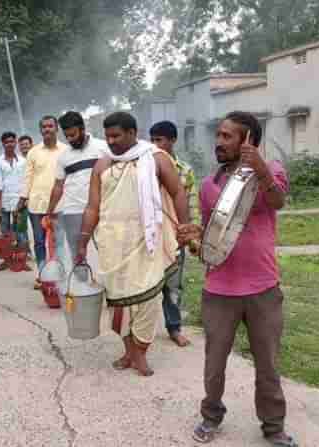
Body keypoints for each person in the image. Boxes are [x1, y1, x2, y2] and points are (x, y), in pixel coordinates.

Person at [177, 112, 298, 447]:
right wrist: (193, 235)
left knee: (268, 365)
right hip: (218, 290)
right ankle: (210, 415)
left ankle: (273, 427)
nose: (218, 141)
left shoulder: (269, 171)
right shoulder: (208, 185)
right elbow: (211, 233)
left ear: (249, 141)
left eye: (228, 136)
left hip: (263, 289)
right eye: (218, 135)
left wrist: (258, 167)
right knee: (214, 365)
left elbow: (277, 202)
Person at [76, 112, 190, 377]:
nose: (111, 141)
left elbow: (178, 192)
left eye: (116, 136)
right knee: (118, 302)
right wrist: (82, 241)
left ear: (132, 132)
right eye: (107, 136)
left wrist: (184, 227)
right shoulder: (102, 165)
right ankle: (128, 351)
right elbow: (92, 207)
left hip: (146, 241)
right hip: (111, 244)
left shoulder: (155, 158)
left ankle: (140, 353)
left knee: (148, 299)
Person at [150, 120, 195, 348]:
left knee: (173, 284)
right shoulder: (145, 168)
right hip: (150, 235)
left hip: (174, 235)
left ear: (172, 140)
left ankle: (174, 327)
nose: (155, 145)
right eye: (153, 140)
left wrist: (189, 233)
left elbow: (190, 203)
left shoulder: (185, 171)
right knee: (147, 282)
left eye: (160, 140)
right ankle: (142, 332)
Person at [45, 111, 107, 275]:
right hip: (73, 211)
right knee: (78, 254)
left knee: (107, 250)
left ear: (82, 128)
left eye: (73, 134)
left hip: (102, 209)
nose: (70, 139)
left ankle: (112, 291)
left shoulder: (102, 148)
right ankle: (83, 291)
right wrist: (49, 210)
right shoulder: (64, 156)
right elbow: (58, 186)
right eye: (67, 136)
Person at [18, 116, 68, 290]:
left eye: (50, 126)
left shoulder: (66, 150)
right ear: (40, 130)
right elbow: (27, 177)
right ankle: (41, 275)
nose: (47, 129)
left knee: (58, 241)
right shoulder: (33, 152)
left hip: (60, 205)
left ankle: (60, 274)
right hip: (37, 205)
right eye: (44, 127)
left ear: (57, 129)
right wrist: (22, 198)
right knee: (39, 241)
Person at [0, 131, 29, 271]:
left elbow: (26, 181)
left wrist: (25, 199)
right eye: (7, 142)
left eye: (12, 141)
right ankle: (7, 260)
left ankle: (22, 260)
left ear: (16, 143)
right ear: (3, 144)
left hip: (20, 201)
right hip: (5, 201)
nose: (9, 144)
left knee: (21, 231)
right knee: (5, 233)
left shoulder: (23, 161)